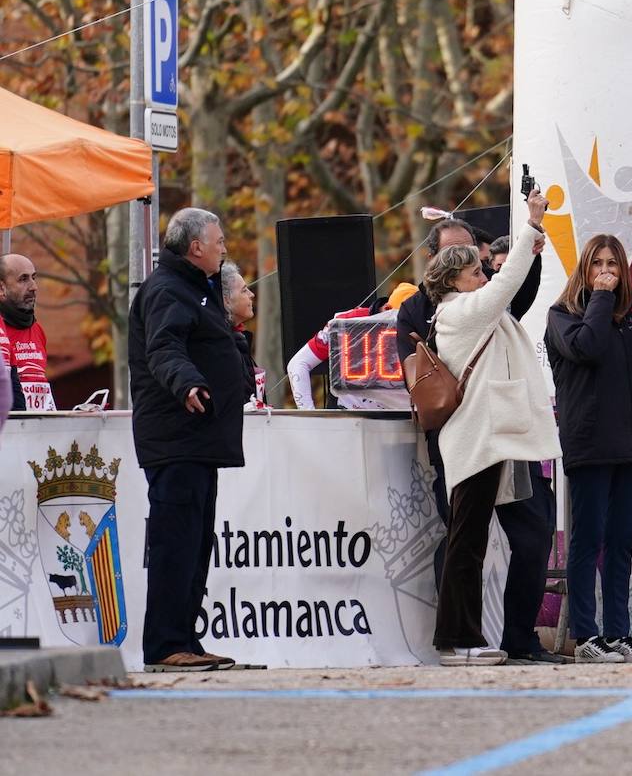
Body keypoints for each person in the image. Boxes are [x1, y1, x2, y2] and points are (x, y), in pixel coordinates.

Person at [429, 189, 561, 666]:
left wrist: (531, 248)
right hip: (476, 440)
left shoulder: (474, 311)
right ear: (452, 280)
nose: (483, 277)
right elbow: (506, 286)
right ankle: (454, 642)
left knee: (472, 542)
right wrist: (532, 223)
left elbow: (510, 288)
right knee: (467, 544)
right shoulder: (460, 312)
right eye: (475, 272)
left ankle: (461, 639)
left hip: (488, 438)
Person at [129, 208, 251, 672]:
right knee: (175, 544)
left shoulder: (194, 289)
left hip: (198, 441)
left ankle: (185, 638)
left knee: (196, 546)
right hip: (176, 439)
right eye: (218, 241)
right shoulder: (166, 290)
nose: (224, 248)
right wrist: (187, 383)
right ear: (196, 246)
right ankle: (164, 645)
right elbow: (164, 347)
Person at [545, 234, 632, 664]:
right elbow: (588, 349)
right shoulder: (563, 316)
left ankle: (618, 634)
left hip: (630, 446)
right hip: (590, 442)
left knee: (621, 542)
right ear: (584, 269)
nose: (606, 273)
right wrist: (599, 298)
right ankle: (586, 635)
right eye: (597, 265)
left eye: (613, 265)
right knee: (587, 539)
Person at [285, 284, 416, 411]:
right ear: (387, 310)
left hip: (406, 419)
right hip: (348, 419)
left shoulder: (424, 327)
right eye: (403, 323)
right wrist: (309, 415)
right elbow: (298, 363)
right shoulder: (348, 323)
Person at [0, 254, 54, 410]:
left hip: (37, 429)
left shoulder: (38, 330)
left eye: (33, 278)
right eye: (23, 279)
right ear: (1, 288)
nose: (33, 287)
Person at [220, 262, 264, 410]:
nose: (251, 295)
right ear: (226, 300)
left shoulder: (239, 339)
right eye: (244, 291)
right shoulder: (222, 345)